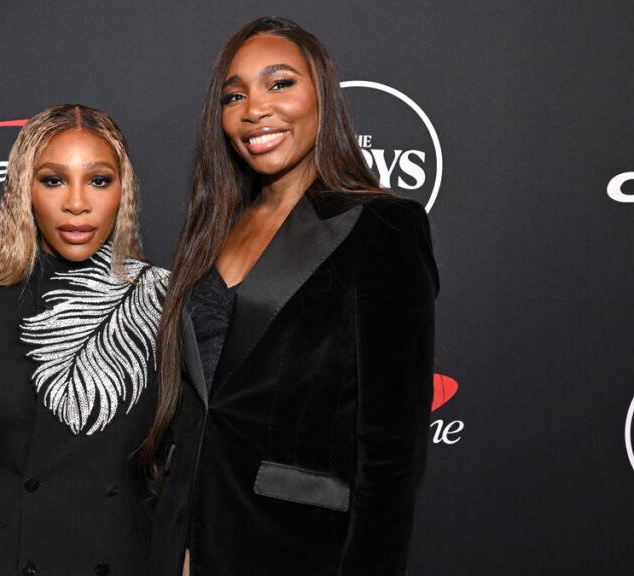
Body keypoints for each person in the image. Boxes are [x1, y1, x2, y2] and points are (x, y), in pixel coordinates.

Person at [141, 17, 439, 576]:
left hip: (296, 548)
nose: (255, 109)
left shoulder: (383, 228)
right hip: (183, 540)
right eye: (235, 95)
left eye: (280, 84)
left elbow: (391, 452)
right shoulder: (216, 228)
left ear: (323, 95)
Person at [0, 104, 168, 576]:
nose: (77, 203)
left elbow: (182, 472)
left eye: (99, 180)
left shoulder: (161, 298)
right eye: (54, 180)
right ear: (24, 188)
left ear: (124, 191)